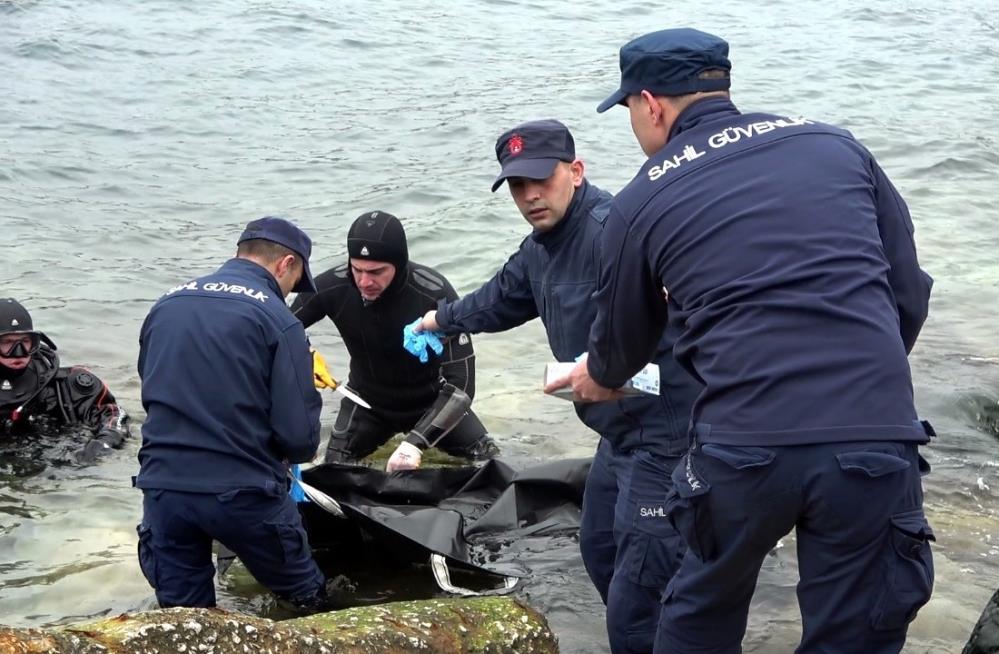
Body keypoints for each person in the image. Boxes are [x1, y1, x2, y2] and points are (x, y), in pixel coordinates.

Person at [549, 28, 936, 654]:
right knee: (858, 632)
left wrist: (595, 378)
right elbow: (908, 293)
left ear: (650, 104)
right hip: (872, 437)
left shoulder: (642, 197)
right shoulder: (836, 144)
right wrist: (865, 385)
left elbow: (622, 349)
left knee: (699, 614)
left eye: (627, 111)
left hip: (745, 445)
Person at [414, 119, 700, 654]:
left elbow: (692, 331)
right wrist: (439, 320)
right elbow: (498, 298)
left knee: (641, 592)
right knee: (599, 550)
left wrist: (609, 374)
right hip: (618, 436)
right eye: (518, 186)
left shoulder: (618, 230)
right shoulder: (540, 248)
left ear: (576, 170)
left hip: (669, 433)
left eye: (540, 180)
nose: (530, 196)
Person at [135, 216, 328, 610]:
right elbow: (299, 439)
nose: (291, 294)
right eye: (295, 284)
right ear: (285, 264)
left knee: (184, 623)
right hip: (243, 493)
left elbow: (151, 389)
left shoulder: (165, 305)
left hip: (163, 491)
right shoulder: (279, 320)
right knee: (308, 604)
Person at [290, 210, 498, 472]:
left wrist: (414, 444)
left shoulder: (432, 292)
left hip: (430, 402)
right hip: (366, 403)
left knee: (491, 462)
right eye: (358, 269)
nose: (365, 281)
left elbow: (462, 384)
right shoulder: (332, 286)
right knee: (332, 472)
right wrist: (302, 354)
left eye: (377, 272)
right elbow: (278, 327)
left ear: (398, 265)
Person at [1, 297, 130, 463]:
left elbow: (115, 415)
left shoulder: (63, 385)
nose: (18, 352)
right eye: (7, 343)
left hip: (61, 466)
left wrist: (104, 443)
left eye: (25, 341)